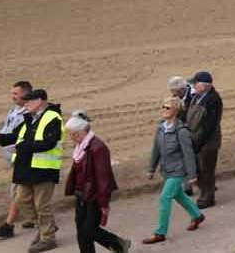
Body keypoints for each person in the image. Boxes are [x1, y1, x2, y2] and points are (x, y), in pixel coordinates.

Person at [0, 88, 62, 252]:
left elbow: (49, 143)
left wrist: (21, 147)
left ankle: (48, 238)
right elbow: (16, 135)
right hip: (26, 169)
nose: (25, 106)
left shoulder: (53, 117)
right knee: (21, 200)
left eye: (28, 102)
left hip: (43, 170)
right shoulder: (29, 119)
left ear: (39, 101)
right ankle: (47, 227)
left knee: (42, 205)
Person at [142, 96, 205, 244]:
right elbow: (156, 150)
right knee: (178, 195)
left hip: (178, 170)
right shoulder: (160, 128)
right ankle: (197, 215)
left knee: (165, 197)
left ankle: (160, 232)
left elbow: (188, 154)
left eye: (167, 107)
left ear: (176, 110)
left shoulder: (182, 131)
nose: (164, 110)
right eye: (163, 107)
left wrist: (192, 175)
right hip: (166, 170)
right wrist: (151, 169)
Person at [63, 111, 128, 253]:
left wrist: (103, 203)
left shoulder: (98, 147)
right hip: (81, 193)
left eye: (73, 134)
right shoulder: (81, 146)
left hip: (94, 195)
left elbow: (103, 177)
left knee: (89, 230)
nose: (71, 137)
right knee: (81, 230)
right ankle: (118, 245)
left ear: (82, 131)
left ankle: (118, 244)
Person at [0, 81, 31, 241]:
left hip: (24, 160)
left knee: (17, 192)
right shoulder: (13, 110)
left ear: (26, 94)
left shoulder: (29, 114)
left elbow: (20, 136)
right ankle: (36, 219)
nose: (12, 97)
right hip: (14, 160)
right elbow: (5, 130)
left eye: (15, 94)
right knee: (28, 191)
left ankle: (8, 226)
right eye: (12, 94)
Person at [184, 72, 221, 208]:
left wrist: (198, 143)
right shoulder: (197, 97)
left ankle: (208, 198)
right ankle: (204, 193)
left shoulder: (213, 99)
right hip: (197, 140)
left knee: (207, 170)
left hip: (208, 142)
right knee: (200, 169)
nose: (193, 85)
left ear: (205, 86)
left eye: (195, 83)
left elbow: (209, 126)